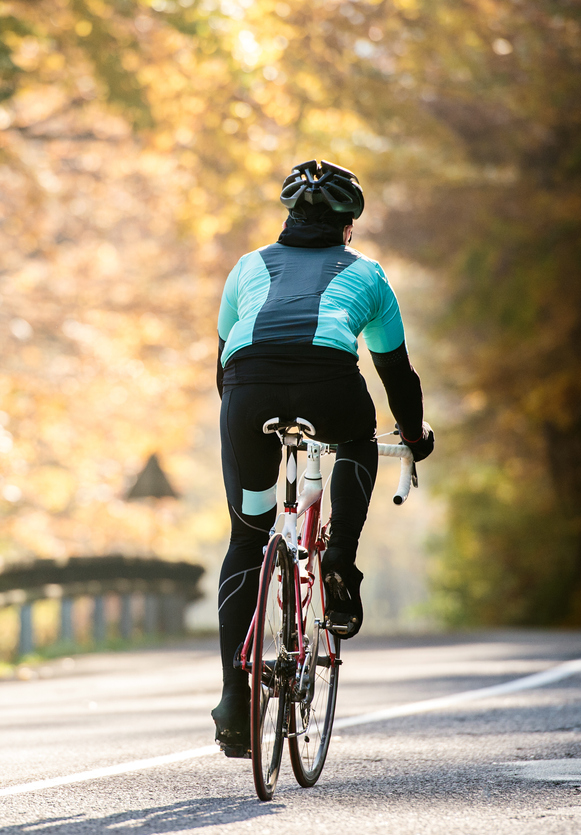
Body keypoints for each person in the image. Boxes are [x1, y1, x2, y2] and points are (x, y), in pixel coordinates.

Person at [211, 159, 434, 757]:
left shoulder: (247, 265)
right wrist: (413, 436)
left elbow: (223, 356)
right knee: (357, 440)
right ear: (348, 226)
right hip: (328, 381)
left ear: (288, 217)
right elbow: (397, 374)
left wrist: (244, 423)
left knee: (247, 536)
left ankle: (236, 702)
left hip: (247, 387)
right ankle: (339, 558)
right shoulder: (368, 274)